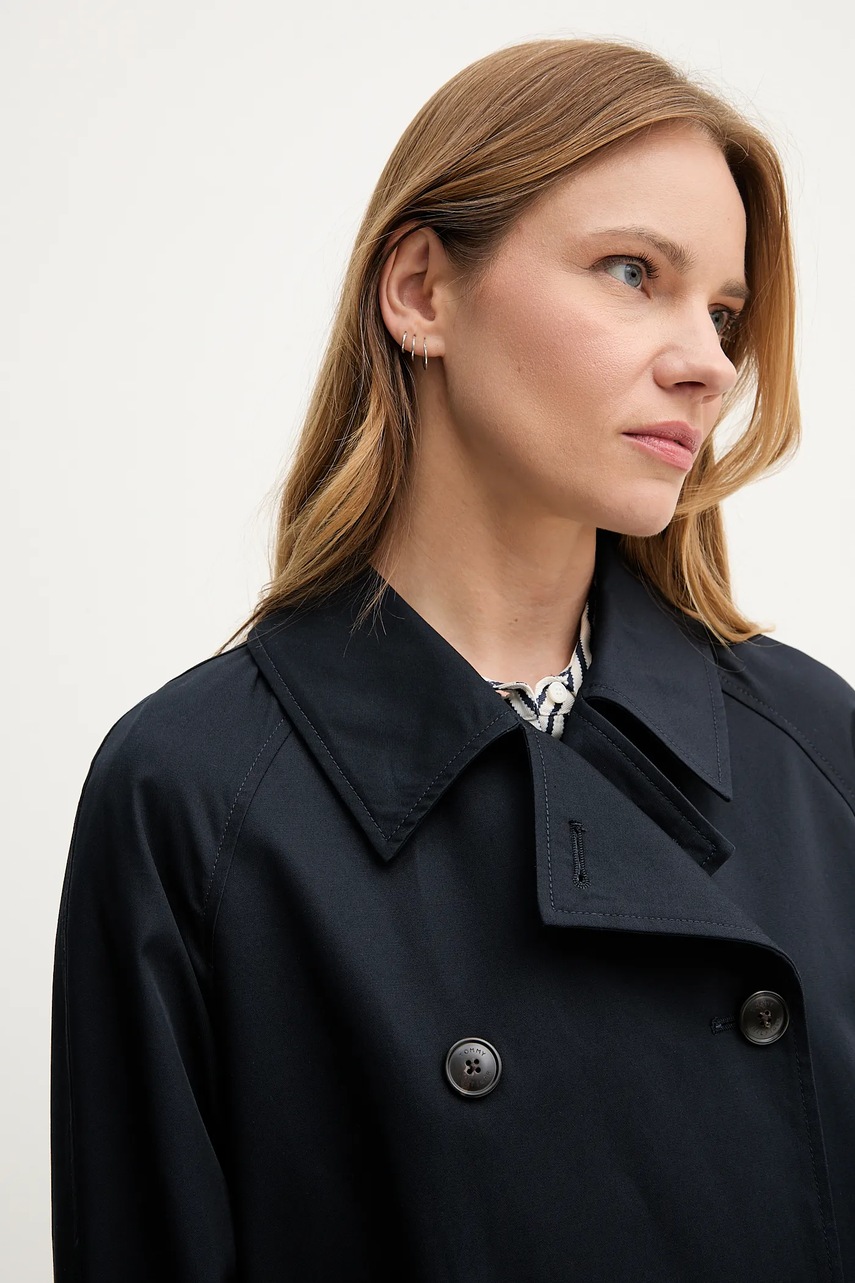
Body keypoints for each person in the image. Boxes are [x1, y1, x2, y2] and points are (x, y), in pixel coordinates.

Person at [50, 36, 855, 1283]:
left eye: (723, 311)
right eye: (634, 272)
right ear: (423, 290)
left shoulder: (816, 750)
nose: (706, 360)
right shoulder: (195, 798)